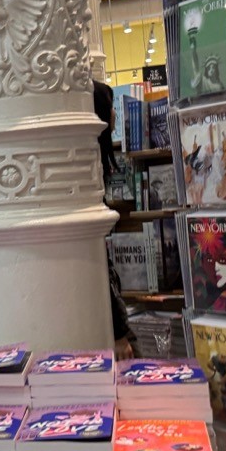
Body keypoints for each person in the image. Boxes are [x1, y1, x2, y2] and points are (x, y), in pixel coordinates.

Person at [94, 80, 140, 360]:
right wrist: (119, 330)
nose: (114, 115)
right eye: (110, 107)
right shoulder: (89, 173)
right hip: (102, 319)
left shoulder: (93, 164)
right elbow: (98, 263)